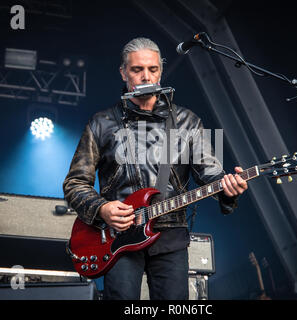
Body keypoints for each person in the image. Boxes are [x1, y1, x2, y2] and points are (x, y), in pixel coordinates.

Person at [63, 37, 248, 300]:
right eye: (137, 70)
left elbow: (211, 174)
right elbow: (75, 183)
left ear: (161, 71)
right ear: (124, 72)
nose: (145, 76)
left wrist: (229, 188)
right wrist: (102, 209)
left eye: (152, 69)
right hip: (117, 238)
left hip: (170, 237)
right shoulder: (101, 123)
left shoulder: (188, 121)